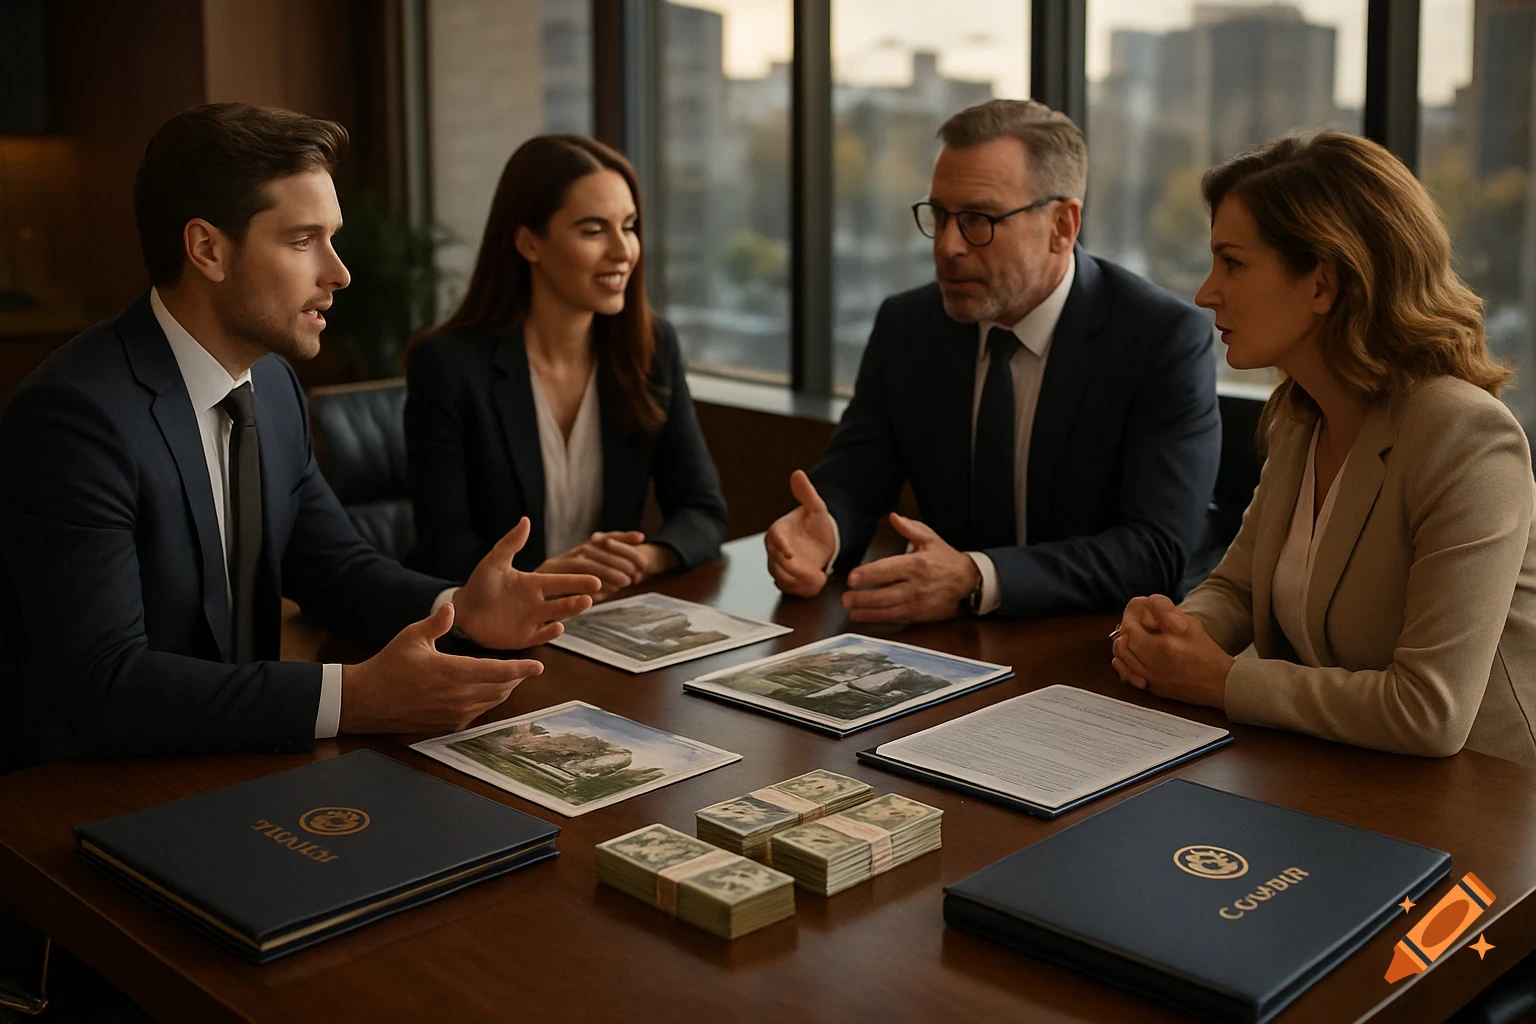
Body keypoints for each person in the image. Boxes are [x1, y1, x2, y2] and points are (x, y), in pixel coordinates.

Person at [0, 104, 604, 770]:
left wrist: (459, 608)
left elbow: (336, 567)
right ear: (208, 250)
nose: (338, 272)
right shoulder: (74, 419)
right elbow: (106, 687)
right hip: (78, 795)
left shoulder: (274, 387)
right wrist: (355, 697)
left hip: (231, 763)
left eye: (332, 238)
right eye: (301, 240)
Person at [1111, 132, 1536, 765]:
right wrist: (1176, 633)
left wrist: (1221, 680)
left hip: (1478, 815)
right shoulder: (1302, 416)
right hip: (1334, 781)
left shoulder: (1465, 436)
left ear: (1323, 284)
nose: (1205, 293)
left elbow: (1431, 711)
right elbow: (1239, 589)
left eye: (1232, 263)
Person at [765, 99, 1221, 622]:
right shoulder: (908, 325)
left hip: (1098, 651)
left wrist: (977, 577)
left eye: (978, 219)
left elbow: (1154, 552)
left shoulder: (1158, 339)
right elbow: (856, 477)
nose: (947, 245)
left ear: (1062, 226)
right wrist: (826, 534)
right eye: (938, 216)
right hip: (947, 648)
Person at [405, 135, 727, 602]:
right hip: (491, 627)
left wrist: (644, 558)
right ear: (529, 242)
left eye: (630, 226)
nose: (623, 251)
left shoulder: (652, 348)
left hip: (605, 619)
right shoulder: (449, 365)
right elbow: (442, 547)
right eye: (593, 230)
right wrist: (544, 576)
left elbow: (703, 509)